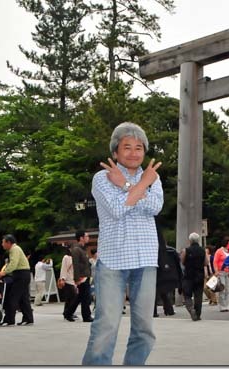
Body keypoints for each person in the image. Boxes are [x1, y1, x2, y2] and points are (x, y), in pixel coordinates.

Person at [82, 122, 164, 366]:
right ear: (115, 152)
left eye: (139, 147)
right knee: (106, 325)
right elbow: (117, 210)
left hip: (147, 259)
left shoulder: (153, 177)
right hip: (113, 260)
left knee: (145, 329)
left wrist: (128, 186)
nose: (133, 153)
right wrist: (139, 188)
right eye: (126, 147)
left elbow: (155, 207)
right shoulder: (102, 177)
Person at [0, 234, 34, 326]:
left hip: (21, 275)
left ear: (8, 242)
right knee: (23, 298)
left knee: (13, 296)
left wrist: (4, 273)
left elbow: (14, 263)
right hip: (23, 274)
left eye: (3, 242)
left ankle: (9, 319)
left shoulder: (14, 249)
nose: (2, 244)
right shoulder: (15, 249)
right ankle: (28, 319)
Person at [154, 224, 182, 317]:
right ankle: (169, 309)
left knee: (154, 293)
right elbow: (178, 263)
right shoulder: (172, 251)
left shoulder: (154, 251)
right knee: (165, 292)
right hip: (169, 272)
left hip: (157, 273)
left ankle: (154, 311)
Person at [180, 232, 207, 321]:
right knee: (198, 295)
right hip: (199, 275)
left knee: (187, 294)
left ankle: (191, 309)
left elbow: (182, 261)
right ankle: (198, 314)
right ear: (198, 240)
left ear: (190, 240)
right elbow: (206, 263)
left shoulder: (186, 250)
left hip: (188, 275)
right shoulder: (203, 250)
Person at [67, 230, 93, 322]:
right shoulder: (76, 249)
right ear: (81, 238)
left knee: (81, 297)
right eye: (87, 236)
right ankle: (86, 316)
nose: (88, 238)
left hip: (85, 275)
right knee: (85, 297)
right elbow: (76, 265)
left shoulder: (82, 249)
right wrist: (77, 278)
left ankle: (68, 313)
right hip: (82, 277)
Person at [213, 237, 229, 312]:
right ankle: (222, 305)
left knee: (228, 289)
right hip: (221, 272)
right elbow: (215, 261)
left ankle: (227, 305)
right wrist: (216, 270)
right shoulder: (219, 251)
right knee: (222, 288)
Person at [59, 247, 77, 321]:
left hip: (73, 280)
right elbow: (64, 268)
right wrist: (63, 278)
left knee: (70, 298)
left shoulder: (74, 257)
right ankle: (68, 312)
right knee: (72, 297)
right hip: (67, 279)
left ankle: (67, 312)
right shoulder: (66, 257)